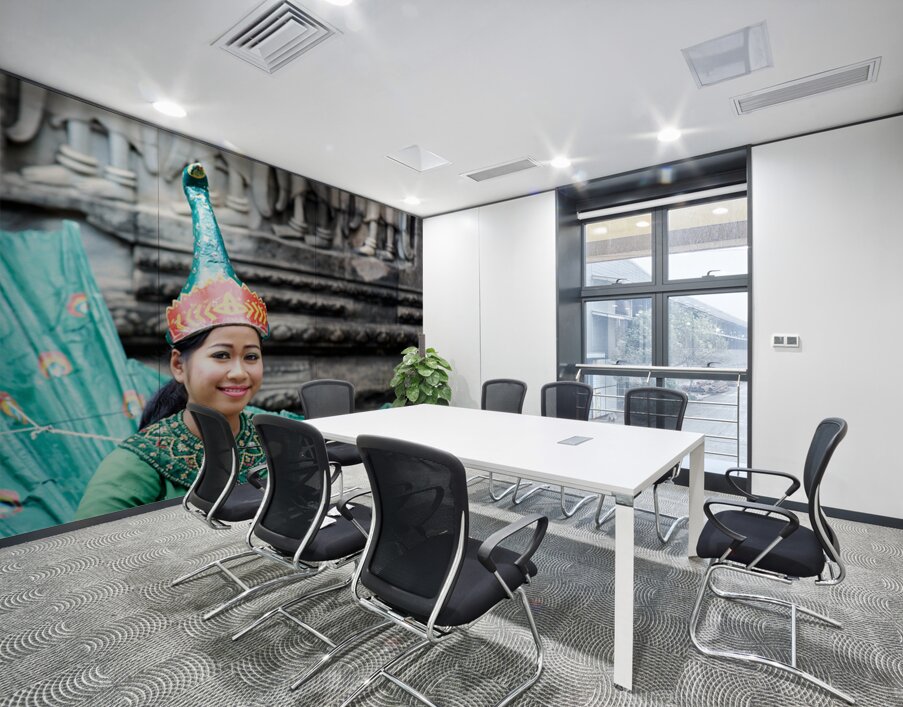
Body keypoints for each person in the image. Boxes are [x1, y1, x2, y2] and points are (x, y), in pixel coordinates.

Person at [75, 162, 270, 519]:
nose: (241, 372)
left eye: (252, 356)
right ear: (180, 365)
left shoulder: (265, 428)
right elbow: (80, 553)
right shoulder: (138, 463)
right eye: (222, 355)